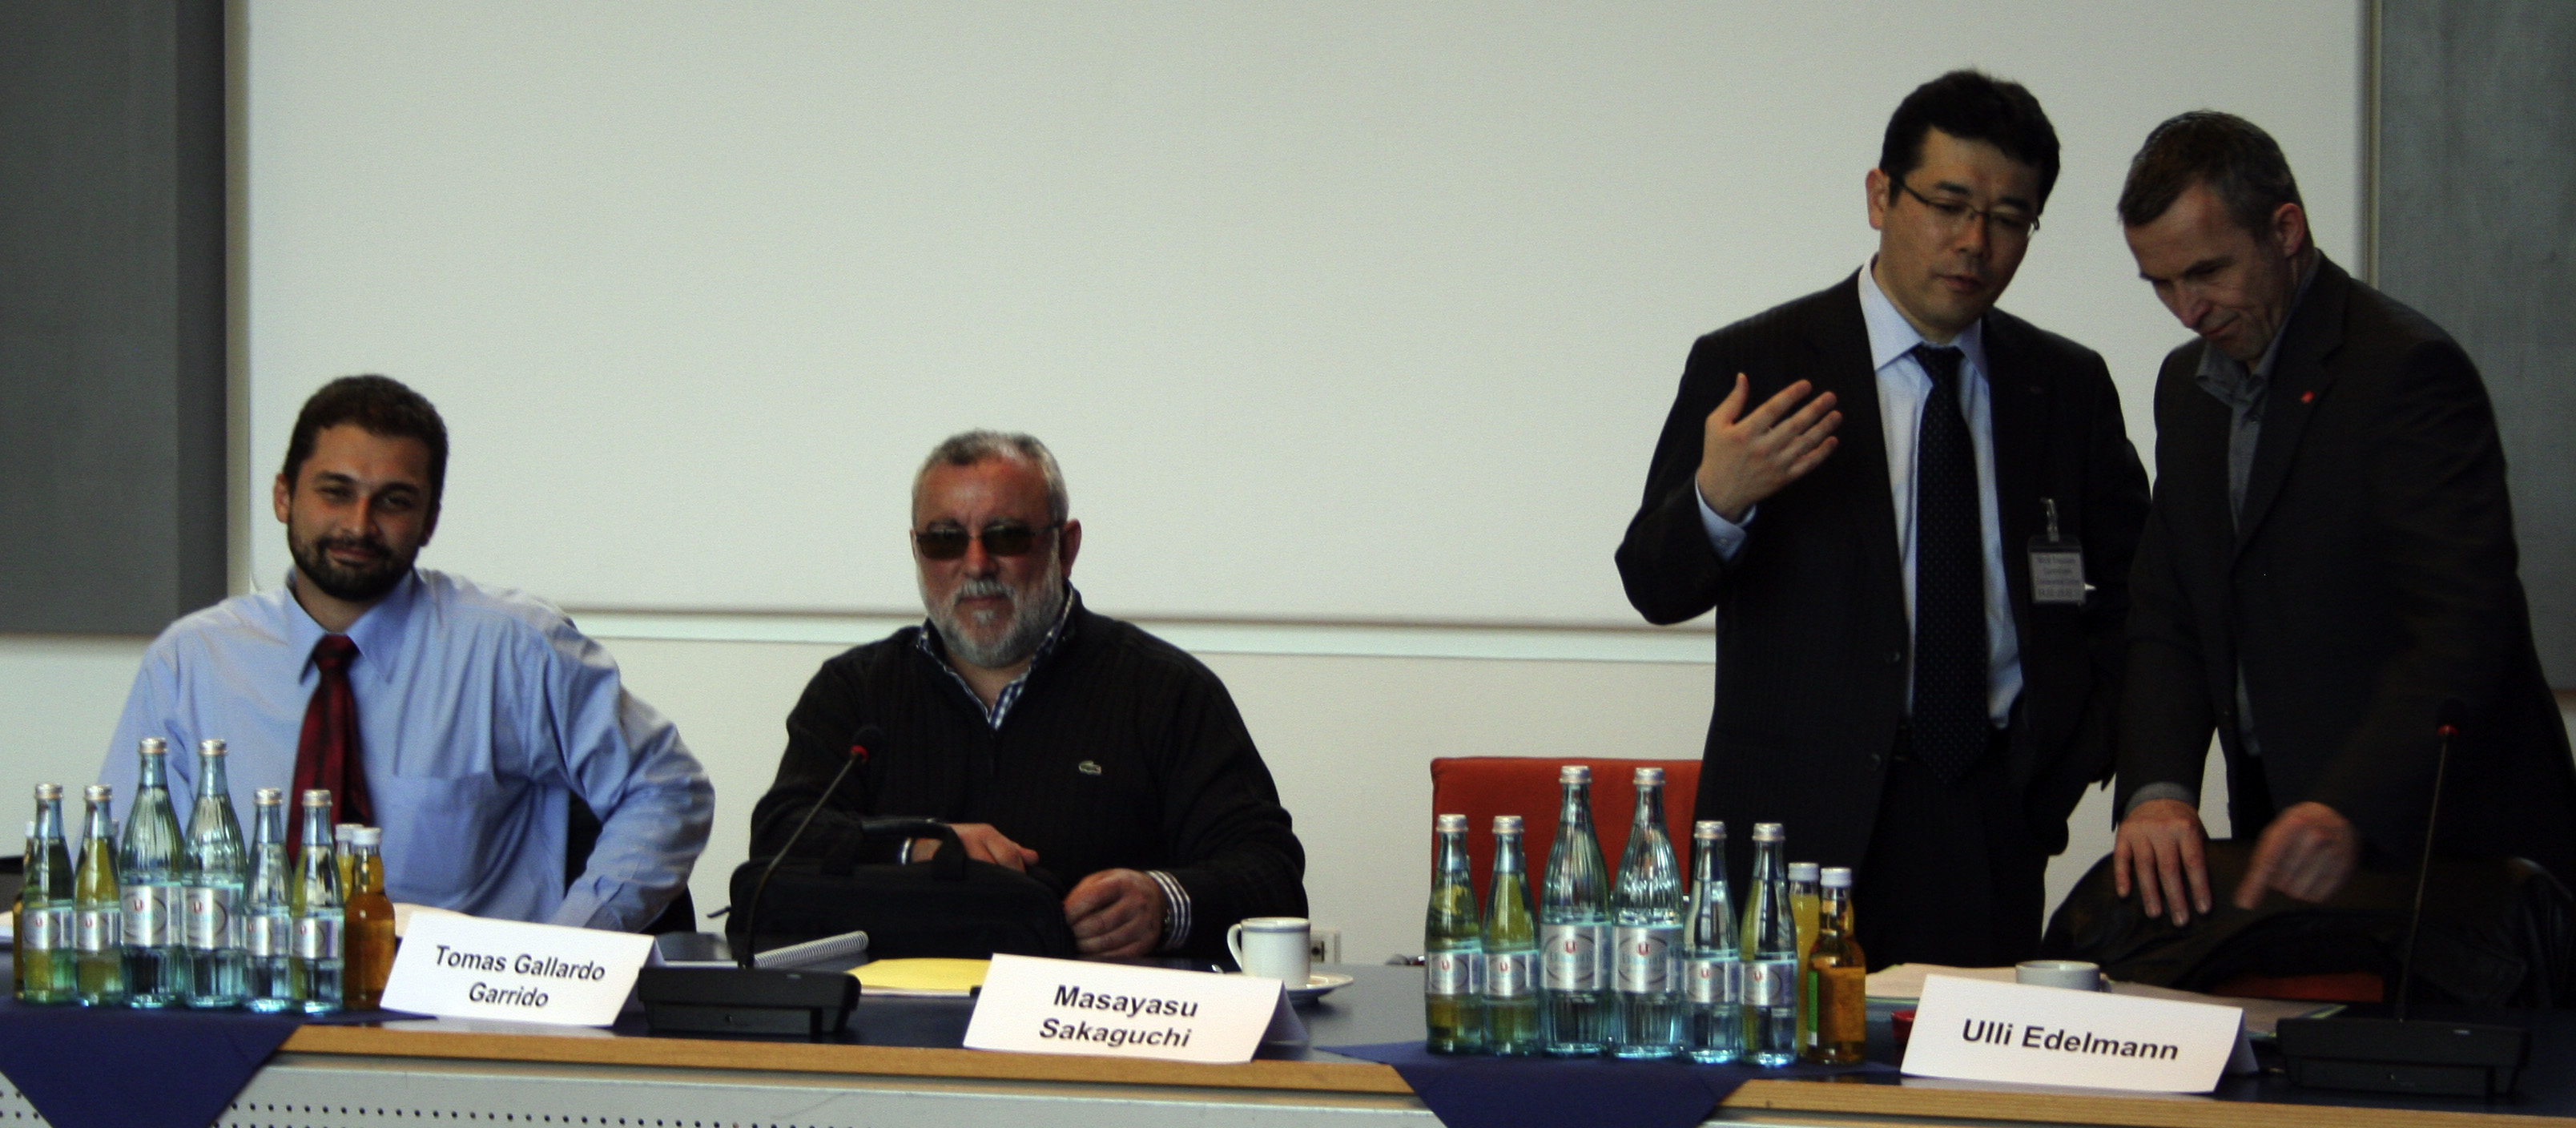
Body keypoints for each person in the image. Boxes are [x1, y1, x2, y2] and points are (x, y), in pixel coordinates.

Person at [1615, 70, 2149, 969]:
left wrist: (2066, 752)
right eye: (1948, 205)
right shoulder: (1756, 363)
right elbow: (1652, 584)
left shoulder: (2064, 384)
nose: (1975, 242)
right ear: (1880, 197)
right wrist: (1720, 498)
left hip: (1988, 813)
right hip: (1793, 829)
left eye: (2009, 218)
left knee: (1964, 1056)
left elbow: (2140, 593)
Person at [2110, 112, 2576, 926]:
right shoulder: (2187, 389)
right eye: (2161, 283)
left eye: (2207, 271)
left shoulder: (2405, 370)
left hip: (2447, 850)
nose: (2187, 308)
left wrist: (2349, 804)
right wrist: (2158, 789)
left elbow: (2464, 624)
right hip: (2287, 839)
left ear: (2286, 230)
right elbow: (2169, 608)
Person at [103, 375, 712, 931]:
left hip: (456, 1005)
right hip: (252, 999)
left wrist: (567, 950)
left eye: (394, 501)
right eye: (335, 493)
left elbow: (668, 789)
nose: (359, 525)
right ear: (284, 497)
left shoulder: (514, 649)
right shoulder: (192, 662)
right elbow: (130, 864)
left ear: (429, 521)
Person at [749, 430, 1306, 960]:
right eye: (945, 540)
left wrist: (1164, 904)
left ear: (1066, 547)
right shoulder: (854, 691)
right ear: (916, 550)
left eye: (1006, 536)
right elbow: (780, 841)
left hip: (1089, 1017)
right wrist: (918, 848)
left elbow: (1270, 875)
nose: (976, 565)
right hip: (889, 1015)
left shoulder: (1164, 691)